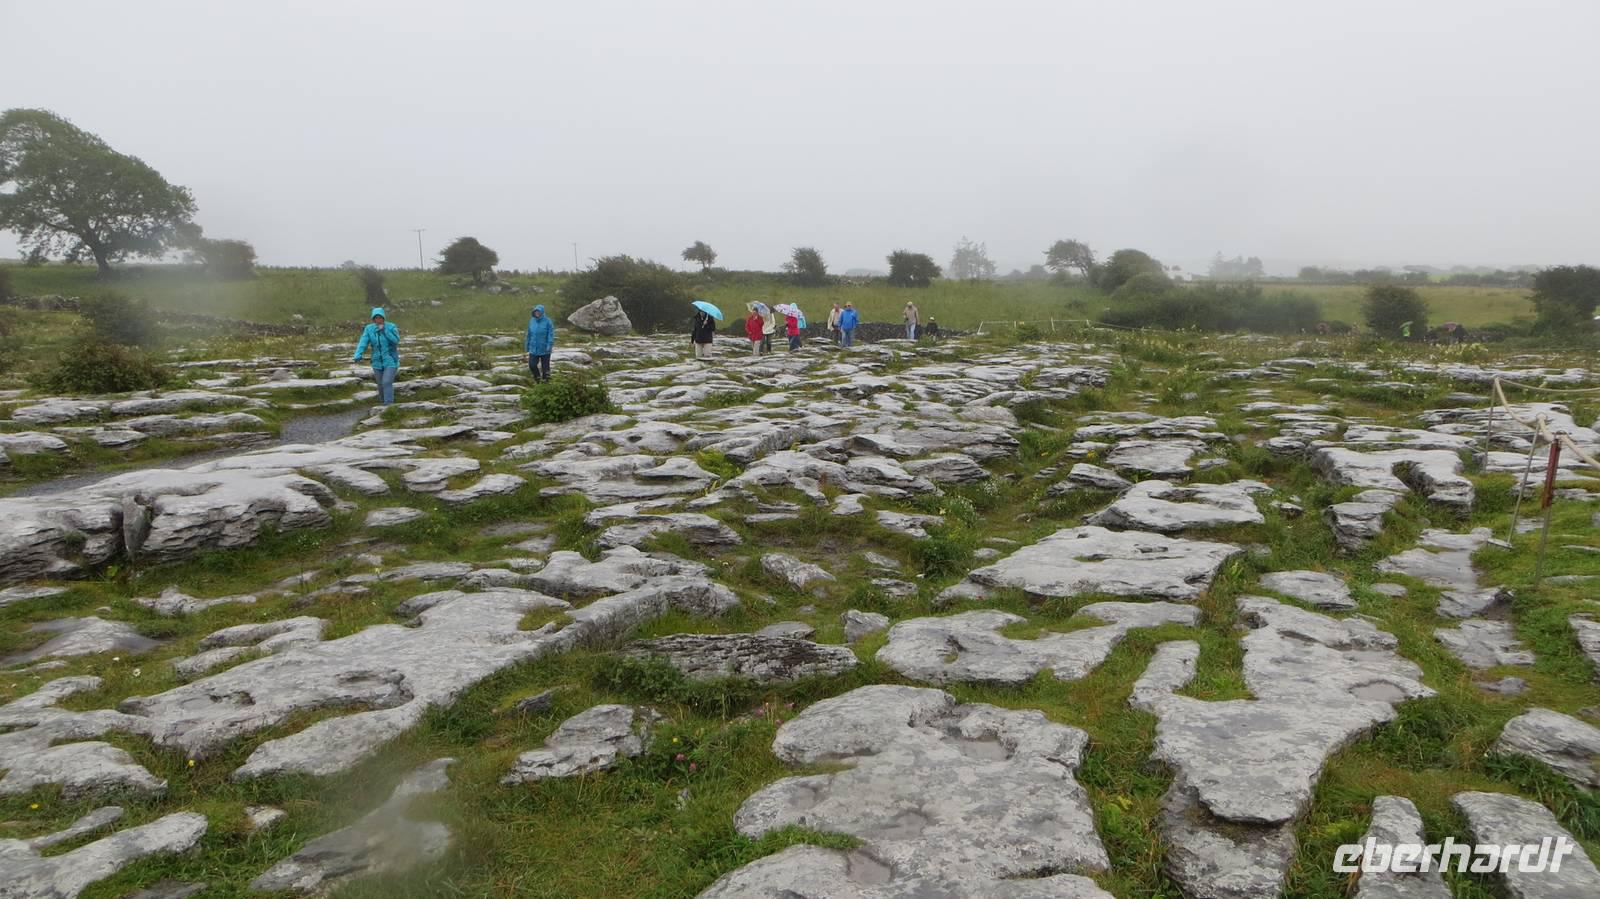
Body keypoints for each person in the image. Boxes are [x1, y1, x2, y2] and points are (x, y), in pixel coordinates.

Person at [352, 307, 400, 404]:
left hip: (390, 360)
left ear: (383, 318)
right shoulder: (369, 329)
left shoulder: (391, 327)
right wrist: (358, 354)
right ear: (373, 319)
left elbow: (396, 341)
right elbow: (363, 342)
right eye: (376, 318)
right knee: (380, 385)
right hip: (376, 362)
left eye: (380, 317)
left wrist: (384, 331)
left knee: (386, 382)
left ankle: (389, 405)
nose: (378, 320)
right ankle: (382, 404)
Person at [524, 304, 555, 382]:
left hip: (545, 348)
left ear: (542, 312)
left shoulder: (548, 321)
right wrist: (527, 345)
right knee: (532, 365)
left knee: (545, 368)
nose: (537, 313)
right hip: (533, 348)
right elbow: (529, 334)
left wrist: (549, 345)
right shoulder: (531, 321)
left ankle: (547, 383)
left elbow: (550, 334)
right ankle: (537, 379)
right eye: (535, 311)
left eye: (538, 311)